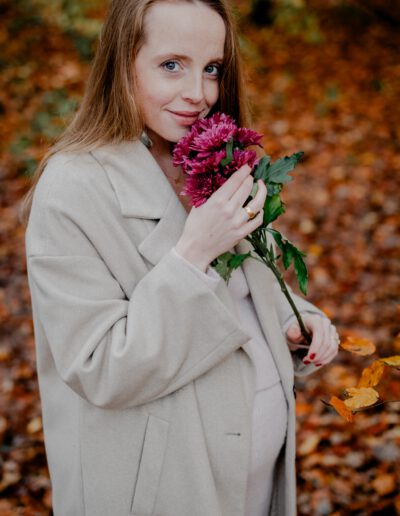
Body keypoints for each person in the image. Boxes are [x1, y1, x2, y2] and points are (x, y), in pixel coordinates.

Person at [22, 0, 339, 515]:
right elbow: (100, 367)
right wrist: (192, 252)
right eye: (172, 65)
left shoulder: (205, 155)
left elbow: (242, 290)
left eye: (211, 68)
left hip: (253, 486)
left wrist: (293, 318)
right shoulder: (72, 188)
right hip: (163, 490)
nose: (198, 93)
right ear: (122, 63)